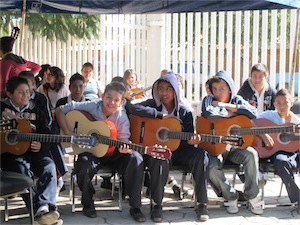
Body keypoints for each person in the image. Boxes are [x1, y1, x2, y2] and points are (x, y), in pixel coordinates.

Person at [55, 82, 146, 222]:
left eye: (116, 100)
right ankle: (87, 203)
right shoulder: (92, 105)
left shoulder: (122, 117)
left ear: (122, 102)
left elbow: (124, 140)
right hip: (91, 152)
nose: (111, 102)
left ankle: (135, 206)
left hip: (114, 153)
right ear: (102, 96)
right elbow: (60, 110)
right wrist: (68, 132)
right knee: (83, 164)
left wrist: (125, 148)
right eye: (109, 97)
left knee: (136, 158)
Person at [130, 72, 210, 222]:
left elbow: (188, 137)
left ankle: (202, 203)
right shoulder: (151, 105)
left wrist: (192, 140)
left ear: (175, 90)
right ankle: (157, 205)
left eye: (168, 89)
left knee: (201, 156)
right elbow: (130, 108)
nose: (164, 93)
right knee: (159, 158)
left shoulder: (184, 112)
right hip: (156, 151)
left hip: (179, 151)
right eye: (161, 88)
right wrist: (159, 115)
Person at [0, 77, 63, 225]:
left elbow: (47, 134)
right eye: (20, 92)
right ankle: (42, 212)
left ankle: (43, 207)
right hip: (10, 155)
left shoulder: (36, 111)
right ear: (9, 94)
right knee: (22, 171)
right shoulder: (2, 107)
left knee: (49, 167)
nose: (26, 95)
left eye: (28, 92)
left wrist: (41, 145)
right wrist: (3, 113)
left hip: (36, 152)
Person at [201, 70, 264, 215]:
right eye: (215, 89)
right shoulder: (208, 99)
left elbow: (253, 113)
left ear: (230, 88)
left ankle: (251, 196)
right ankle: (231, 196)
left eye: (222, 88)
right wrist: (236, 115)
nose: (217, 92)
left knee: (251, 154)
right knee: (211, 166)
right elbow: (209, 113)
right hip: (216, 147)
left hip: (236, 148)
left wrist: (228, 108)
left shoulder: (237, 100)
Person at [255, 89, 300, 204]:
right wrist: (264, 136)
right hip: (279, 153)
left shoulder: (296, 122)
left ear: (291, 103)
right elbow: (251, 122)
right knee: (280, 162)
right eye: (278, 103)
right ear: (274, 104)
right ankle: (298, 199)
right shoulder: (269, 116)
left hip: (295, 153)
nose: (282, 106)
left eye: (285, 103)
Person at [0, 27, 41, 98]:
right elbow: (37, 67)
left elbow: (3, 82)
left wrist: (2, 96)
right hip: (23, 91)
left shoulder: (4, 62)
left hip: (11, 93)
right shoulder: (20, 60)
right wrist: (25, 79)